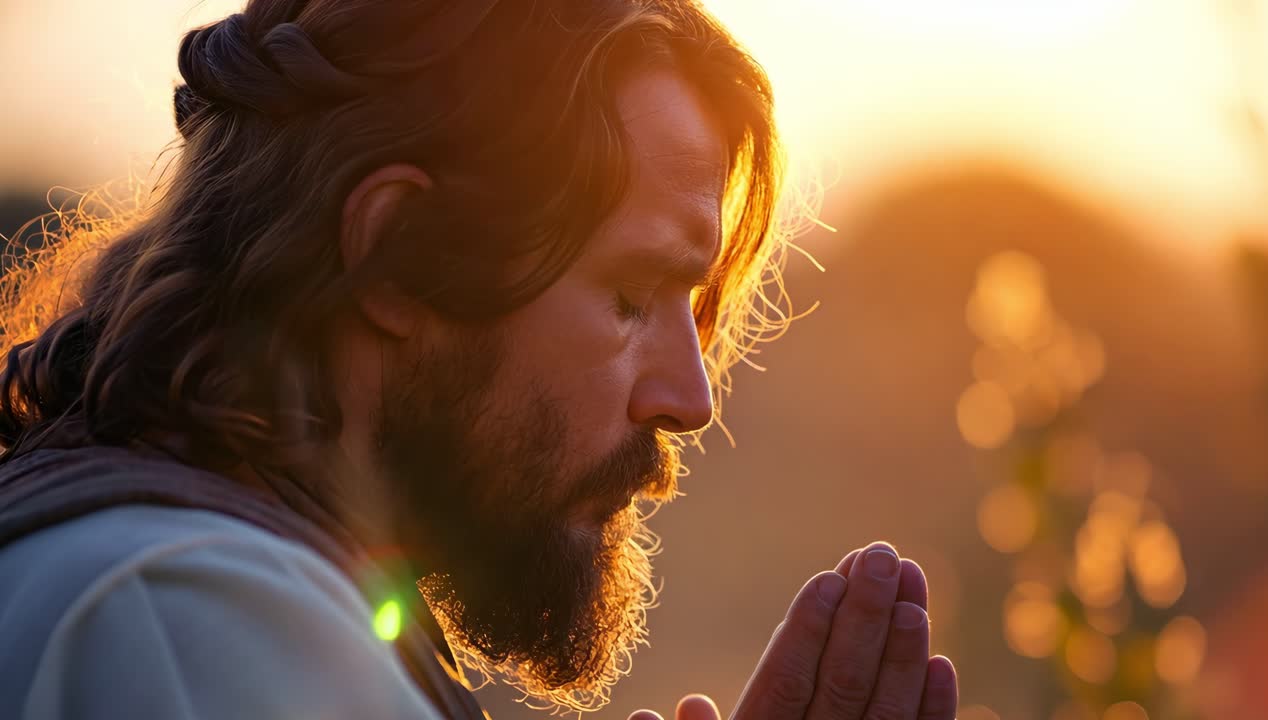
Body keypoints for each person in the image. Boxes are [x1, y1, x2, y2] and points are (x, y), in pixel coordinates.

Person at [0, 1, 959, 719]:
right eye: (630, 297)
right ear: (397, 253)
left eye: (693, 311)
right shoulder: (191, 614)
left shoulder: (175, 576)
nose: (690, 397)